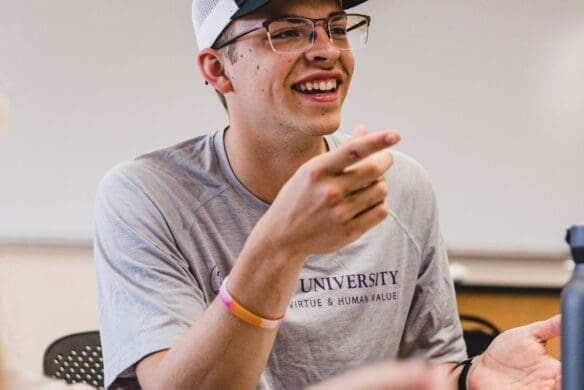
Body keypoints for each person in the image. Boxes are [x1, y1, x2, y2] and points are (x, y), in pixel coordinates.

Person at [94, 0, 561, 388]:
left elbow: (427, 371)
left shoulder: (399, 186)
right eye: (288, 31)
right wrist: (280, 242)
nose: (326, 50)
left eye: (335, 27)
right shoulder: (146, 196)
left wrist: (471, 377)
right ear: (218, 69)